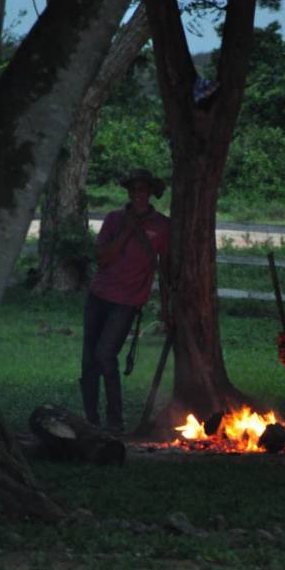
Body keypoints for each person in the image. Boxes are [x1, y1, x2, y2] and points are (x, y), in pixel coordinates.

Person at [80, 169, 170, 434]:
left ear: (150, 192)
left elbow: (165, 269)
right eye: (133, 189)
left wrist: (167, 309)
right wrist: (128, 231)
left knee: (105, 354)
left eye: (142, 189)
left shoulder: (162, 226)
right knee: (89, 360)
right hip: (99, 296)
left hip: (127, 302)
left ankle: (115, 419)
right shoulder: (114, 219)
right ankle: (91, 419)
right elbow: (102, 258)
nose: (137, 194)